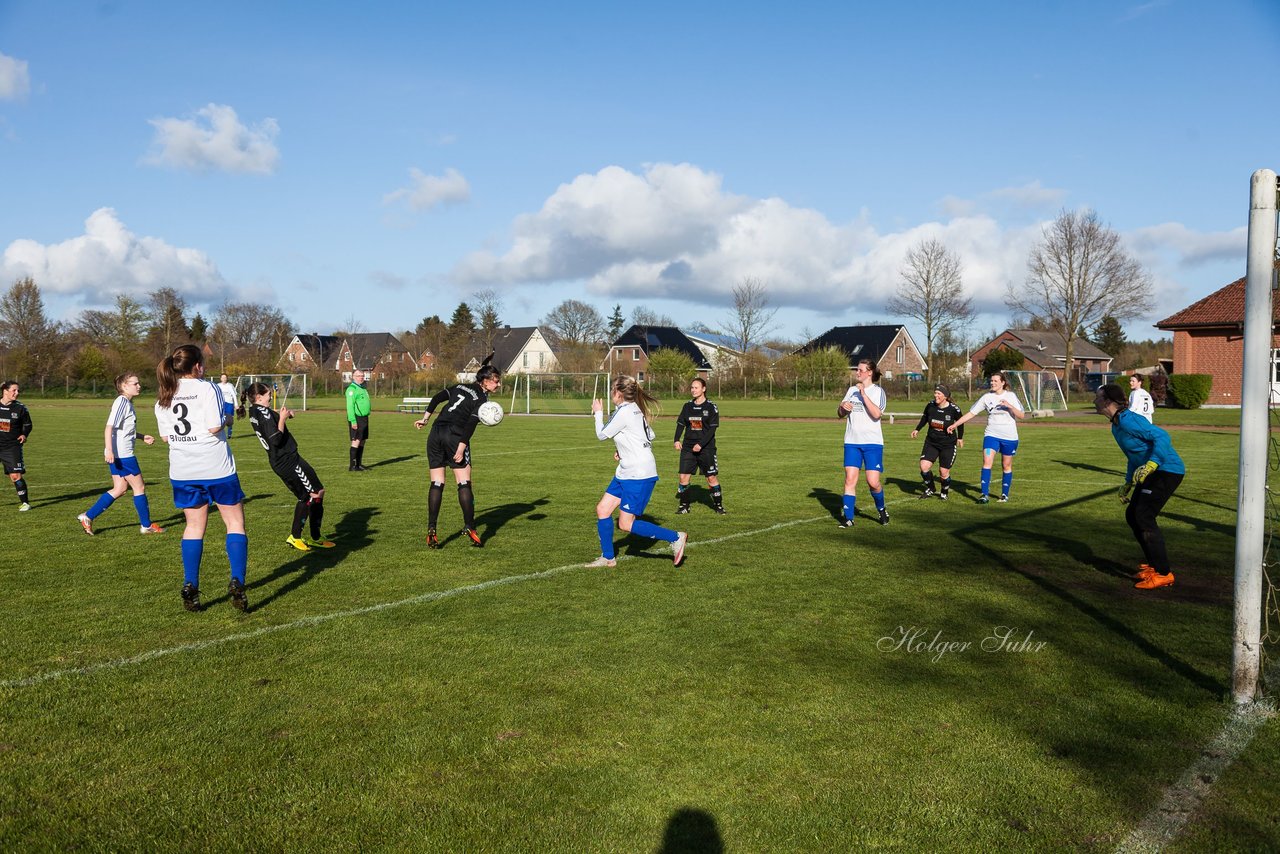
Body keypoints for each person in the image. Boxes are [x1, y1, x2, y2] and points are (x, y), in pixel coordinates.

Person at [155, 344, 249, 613]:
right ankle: (238, 581)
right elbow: (214, 426)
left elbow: (165, 436)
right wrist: (229, 418)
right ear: (196, 365)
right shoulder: (208, 388)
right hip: (216, 467)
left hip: (183, 470)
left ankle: (190, 584)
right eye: (203, 362)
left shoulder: (165, 393)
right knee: (235, 523)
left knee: (194, 527)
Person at [589, 375, 688, 567]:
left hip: (639, 474)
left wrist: (598, 413)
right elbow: (650, 435)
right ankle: (608, 558)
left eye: (612, 390)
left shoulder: (625, 411)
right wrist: (623, 449)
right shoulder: (635, 410)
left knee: (625, 524)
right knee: (603, 509)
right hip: (626, 471)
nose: (611, 393)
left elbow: (602, 435)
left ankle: (676, 537)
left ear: (618, 392)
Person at [1095, 383, 1186, 589]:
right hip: (1152, 471)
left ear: (1108, 401)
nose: (1094, 400)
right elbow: (1133, 455)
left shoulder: (1128, 421)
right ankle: (1154, 567)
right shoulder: (1116, 425)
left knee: (1143, 515)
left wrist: (1153, 463)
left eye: (1098, 397)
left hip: (1166, 469)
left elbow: (1162, 436)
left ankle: (1164, 573)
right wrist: (1128, 481)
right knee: (1132, 515)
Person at [414, 361, 502, 548]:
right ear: (485, 381)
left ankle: (432, 529)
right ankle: (470, 527)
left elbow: (437, 398)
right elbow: (470, 425)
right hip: (455, 435)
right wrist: (461, 448)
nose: (498, 384)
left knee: (437, 482)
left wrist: (425, 419)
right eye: (496, 381)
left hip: (436, 432)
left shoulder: (460, 385)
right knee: (463, 482)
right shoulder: (481, 401)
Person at [242, 382, 335, 552]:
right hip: (286, 460)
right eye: (268, 394)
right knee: (308, 495)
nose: (271, 396)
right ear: (259, 397)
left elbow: (270, 424)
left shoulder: (255, 410)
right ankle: (296, 536)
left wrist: (285, 416)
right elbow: (276, 439)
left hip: (289, 458)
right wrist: (283, 419)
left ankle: (315, 536)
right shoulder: (262, 412)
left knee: (318, 491)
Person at [77, 372, 165, 535]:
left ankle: (87, 516)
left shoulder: (126, 403)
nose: (139, 386)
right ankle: (146, 526)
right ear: (124, 386)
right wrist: (109, 450)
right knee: (139, 487)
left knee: (120, 488)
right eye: (135, 383)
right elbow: (109, 427)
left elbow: (122, 429)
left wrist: (141, 436)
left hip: (118, 453)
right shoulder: (122, 402)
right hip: (122, 455)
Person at [948, 370, 1025, 504]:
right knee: (986, 462)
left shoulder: (1011, 396)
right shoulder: (986, 397)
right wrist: (955, 425)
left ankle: (1004, 495)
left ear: (1003, 383)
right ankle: (984, 495)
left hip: (1009, 437)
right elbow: (971, 413)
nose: (992, 383)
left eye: (995, 381)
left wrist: (1009, 406)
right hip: (991, 435)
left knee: (1006, 465)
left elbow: (1021, 415)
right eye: (991, 381)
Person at [836, 358, 889, 527]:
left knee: (873, 482)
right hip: (852, 442)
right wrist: (843, 407)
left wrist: (863, 395)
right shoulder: (851, 390)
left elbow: (876, 414)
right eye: (857, 370)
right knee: (850, 479)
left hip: (872, 443)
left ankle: (881, 509)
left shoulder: (878, 391)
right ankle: (848, 518)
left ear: (869, 372)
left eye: (860, 370)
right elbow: (840, 413)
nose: (857, 372)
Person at [673, 377, 723, 514]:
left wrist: (700, 445)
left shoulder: (711, 407)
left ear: (704, 389)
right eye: (692, 388)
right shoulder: (687, 406)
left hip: (706, 447)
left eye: (696, 387)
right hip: (688, 447)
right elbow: (681, 424)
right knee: (683, 477)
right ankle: (684, 506)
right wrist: (676, 439)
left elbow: (712, 429)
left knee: (711, 478)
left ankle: (718, 506)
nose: (693, 390)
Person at [910, 384, 964, 500]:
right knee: (924, 467)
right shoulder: (930, 405)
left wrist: (960, 437)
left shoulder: (954, 409)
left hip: (948, 444)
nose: (936, 395)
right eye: (935, 393)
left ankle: (944, 492)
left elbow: (960, 422)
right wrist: (917, 429)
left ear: (945, 396)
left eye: (938, 393)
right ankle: (931, 488)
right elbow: (925, 418)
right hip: (931, 442)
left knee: (943, 472)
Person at [0, 380, 32, 511]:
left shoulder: (20, 408)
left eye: (18, 390)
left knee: (15, 476)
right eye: (14, 390)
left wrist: (24, 434)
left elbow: (28, 425)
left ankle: (25, 503)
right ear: (5, 391)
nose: (17, 393)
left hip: (11, 446)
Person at [346, 370, 371, 471]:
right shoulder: (351, 389)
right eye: (358, 376)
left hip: (364, 418)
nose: (361, 377)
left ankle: (359, 464)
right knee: (356, 440)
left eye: (362, 376)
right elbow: (350, 406)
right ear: (353, 377)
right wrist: (353, 421)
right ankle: (353, 465)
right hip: (357, 418)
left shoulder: (362, 388)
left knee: (362, 441)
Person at [216, 373, 237, 439]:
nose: (224, 379)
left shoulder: (230, 386)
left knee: (229, 420)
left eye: (225, 377)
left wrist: (236, 404)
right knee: (220, 419)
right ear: (220, 378)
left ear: (227, 378)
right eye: (223, 377)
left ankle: (229, 434)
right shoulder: (218, 385)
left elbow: (234, 395)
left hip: (229, 404)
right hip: (221, 404)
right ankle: (220, 434)